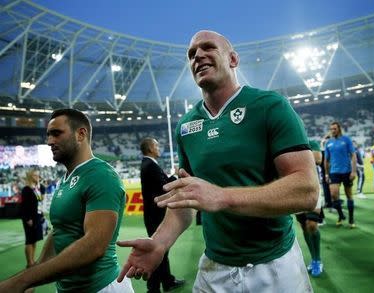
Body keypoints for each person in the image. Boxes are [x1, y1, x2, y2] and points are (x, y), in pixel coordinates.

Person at [117, 30, 319, 292]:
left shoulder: (270, 106)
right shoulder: (186, 126)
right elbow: (185, 201)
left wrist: (223, 197)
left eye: (208, 48)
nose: (198, 55)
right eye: (191, 54)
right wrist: (160, 242)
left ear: (233, 59)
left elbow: (307, 191)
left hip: (275, 265)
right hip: (214, 269)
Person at [0, 108, 133, 292]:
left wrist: (22, 280)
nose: (49, 141)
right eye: (48, 135)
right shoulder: (66, 179)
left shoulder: (101, 175)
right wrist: (35, 271)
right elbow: (60, 231)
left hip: (100, 287)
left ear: (81, 134)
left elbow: (94, 246)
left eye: (56, 133)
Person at [140, 137, 185, 293]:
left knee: (161, 250)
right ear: (151, 148)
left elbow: (162, 184)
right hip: (155, 216)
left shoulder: (149, 164)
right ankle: (153, 288)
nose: (159, 148)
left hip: (154, 214)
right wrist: (176, 175)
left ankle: (167, 281)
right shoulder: (149, 165)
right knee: (157, 250)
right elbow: (164, 187)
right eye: (157, 145)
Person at [295, 139, 324, 277]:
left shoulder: (311, 142)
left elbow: (318, 159)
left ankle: (318, 259)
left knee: (312, 225)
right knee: (303, 225)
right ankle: (313, 258)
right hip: (295, 189)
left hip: (313, 187)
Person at [324, 122, 357, 228]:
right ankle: (341, 215)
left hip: (347, 171)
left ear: (339, 129)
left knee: (349, 195)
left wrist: (353, 171)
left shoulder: (346, 140)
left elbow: (353, 155)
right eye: (331, 129)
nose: (332, 130)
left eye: (334, 128)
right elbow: (326, 160)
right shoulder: (328, 142)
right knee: (334, 195)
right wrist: (326, 174)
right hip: (334, 172)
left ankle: (351, 219)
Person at [20, 169, 44, 268]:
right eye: (35, 176)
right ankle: (29, 262)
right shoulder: (26, 189)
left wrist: (38, 184)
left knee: (34, 239)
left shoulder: (38, 188)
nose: (37, 177)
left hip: (37, 216)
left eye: (38, 175)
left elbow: (41, 199)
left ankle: (32, 260)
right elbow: (24, 206)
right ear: (30, 177)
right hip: (29, 218)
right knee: (29, 240)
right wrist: (28, 219)